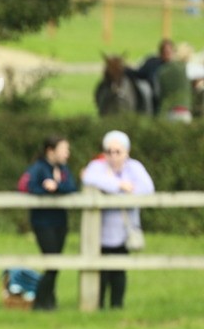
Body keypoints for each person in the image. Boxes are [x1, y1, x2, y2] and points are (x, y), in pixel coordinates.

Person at [81, 131, 154, 310]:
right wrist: (119, 186)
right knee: (100, 272)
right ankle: (96, 306)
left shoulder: (134, 167)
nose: (113, 156)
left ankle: (116, 306)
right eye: (109, 151)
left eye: (117, 152)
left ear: (126, 152)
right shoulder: (97, 166)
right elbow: (88, 178)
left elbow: (147, 188)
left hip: (124, 230)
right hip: (99, 231)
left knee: (119, 270)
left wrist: (111, 189)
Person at [24, 135, 77, 311]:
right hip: (43, 222)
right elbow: (29, 188)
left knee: (55, 264)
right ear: (50, 150)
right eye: (64, 149)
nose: (67, 153)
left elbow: (72, 187)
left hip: (60, 221)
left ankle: (48, 302)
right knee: (52, 264)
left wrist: (56, 186)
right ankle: (40, 301)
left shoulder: (63, 169)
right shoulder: (38, 168)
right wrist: (45, 188)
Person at [156, 42, 194, 122]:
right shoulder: (185, 66)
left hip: (169, 112)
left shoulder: (161, 71)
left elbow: (158, 92)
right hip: (185, 111)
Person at [135, 38, 173, 113]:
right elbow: (138, 74)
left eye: (168, 52)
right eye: (164, 52)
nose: (166, 54)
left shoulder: (176, 68)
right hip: (152, 101)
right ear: (160, 52)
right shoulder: (152, 63)